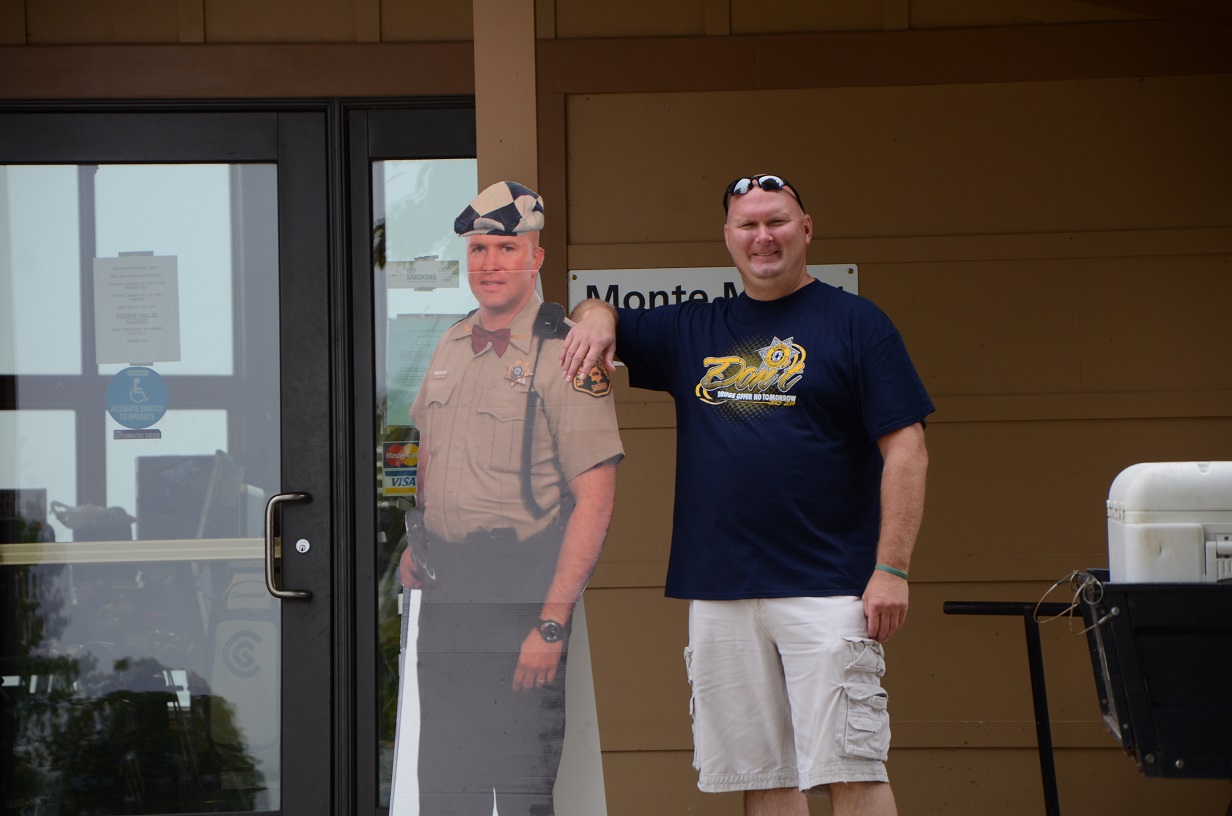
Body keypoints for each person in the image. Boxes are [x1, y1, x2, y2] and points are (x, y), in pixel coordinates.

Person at [559, 174, 932, 816]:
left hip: (829, 589)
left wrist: (892, 570)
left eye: (778, 221)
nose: (764, 237)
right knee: (761, 777)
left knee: (854, 769)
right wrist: (593, 316)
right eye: (748, 225)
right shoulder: (695, 328)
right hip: (722, 590)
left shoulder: (858, 324)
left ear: (806, 229)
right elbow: (605, 313)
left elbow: (907, 450)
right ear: (728, 239)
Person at [395, 181, 623, 816]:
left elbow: (595, 500)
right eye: (476, 249)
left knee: (521, 789)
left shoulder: (567, 353)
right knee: (445, 785)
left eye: (504, 247)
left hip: (523, 586)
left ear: (537, 257)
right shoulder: (450, 344)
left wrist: (551, 623)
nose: (488, 265)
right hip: (448, 591)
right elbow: (430, 456)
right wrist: (419, 539)